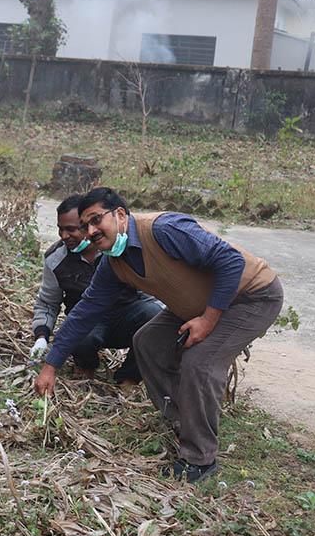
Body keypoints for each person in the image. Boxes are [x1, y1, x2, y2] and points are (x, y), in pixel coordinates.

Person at [33, 187, 283, 483]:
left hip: (250, 297)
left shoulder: (165, 230)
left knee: (200, 362)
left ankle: (200, 459)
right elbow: (85, 311)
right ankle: (185, 421)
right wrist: (51, 366)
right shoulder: (114, 263)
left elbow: (230, 261)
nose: (91, 231)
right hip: (197, 303)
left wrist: (207, 319)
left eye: (96, 220)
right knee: (147, 341)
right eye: (85, 225)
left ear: (121, 214)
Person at [30, 194, 162, 394]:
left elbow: (150, 296)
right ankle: (86, 364)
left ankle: (129, 377)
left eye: (71, 229)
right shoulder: (56, 259)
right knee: (80, 332)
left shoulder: (118, 250)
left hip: (125, 318)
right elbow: (48, 302)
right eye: (60, 229)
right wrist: (41, 335)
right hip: (88, 323)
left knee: (153, 316)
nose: (64, 236)